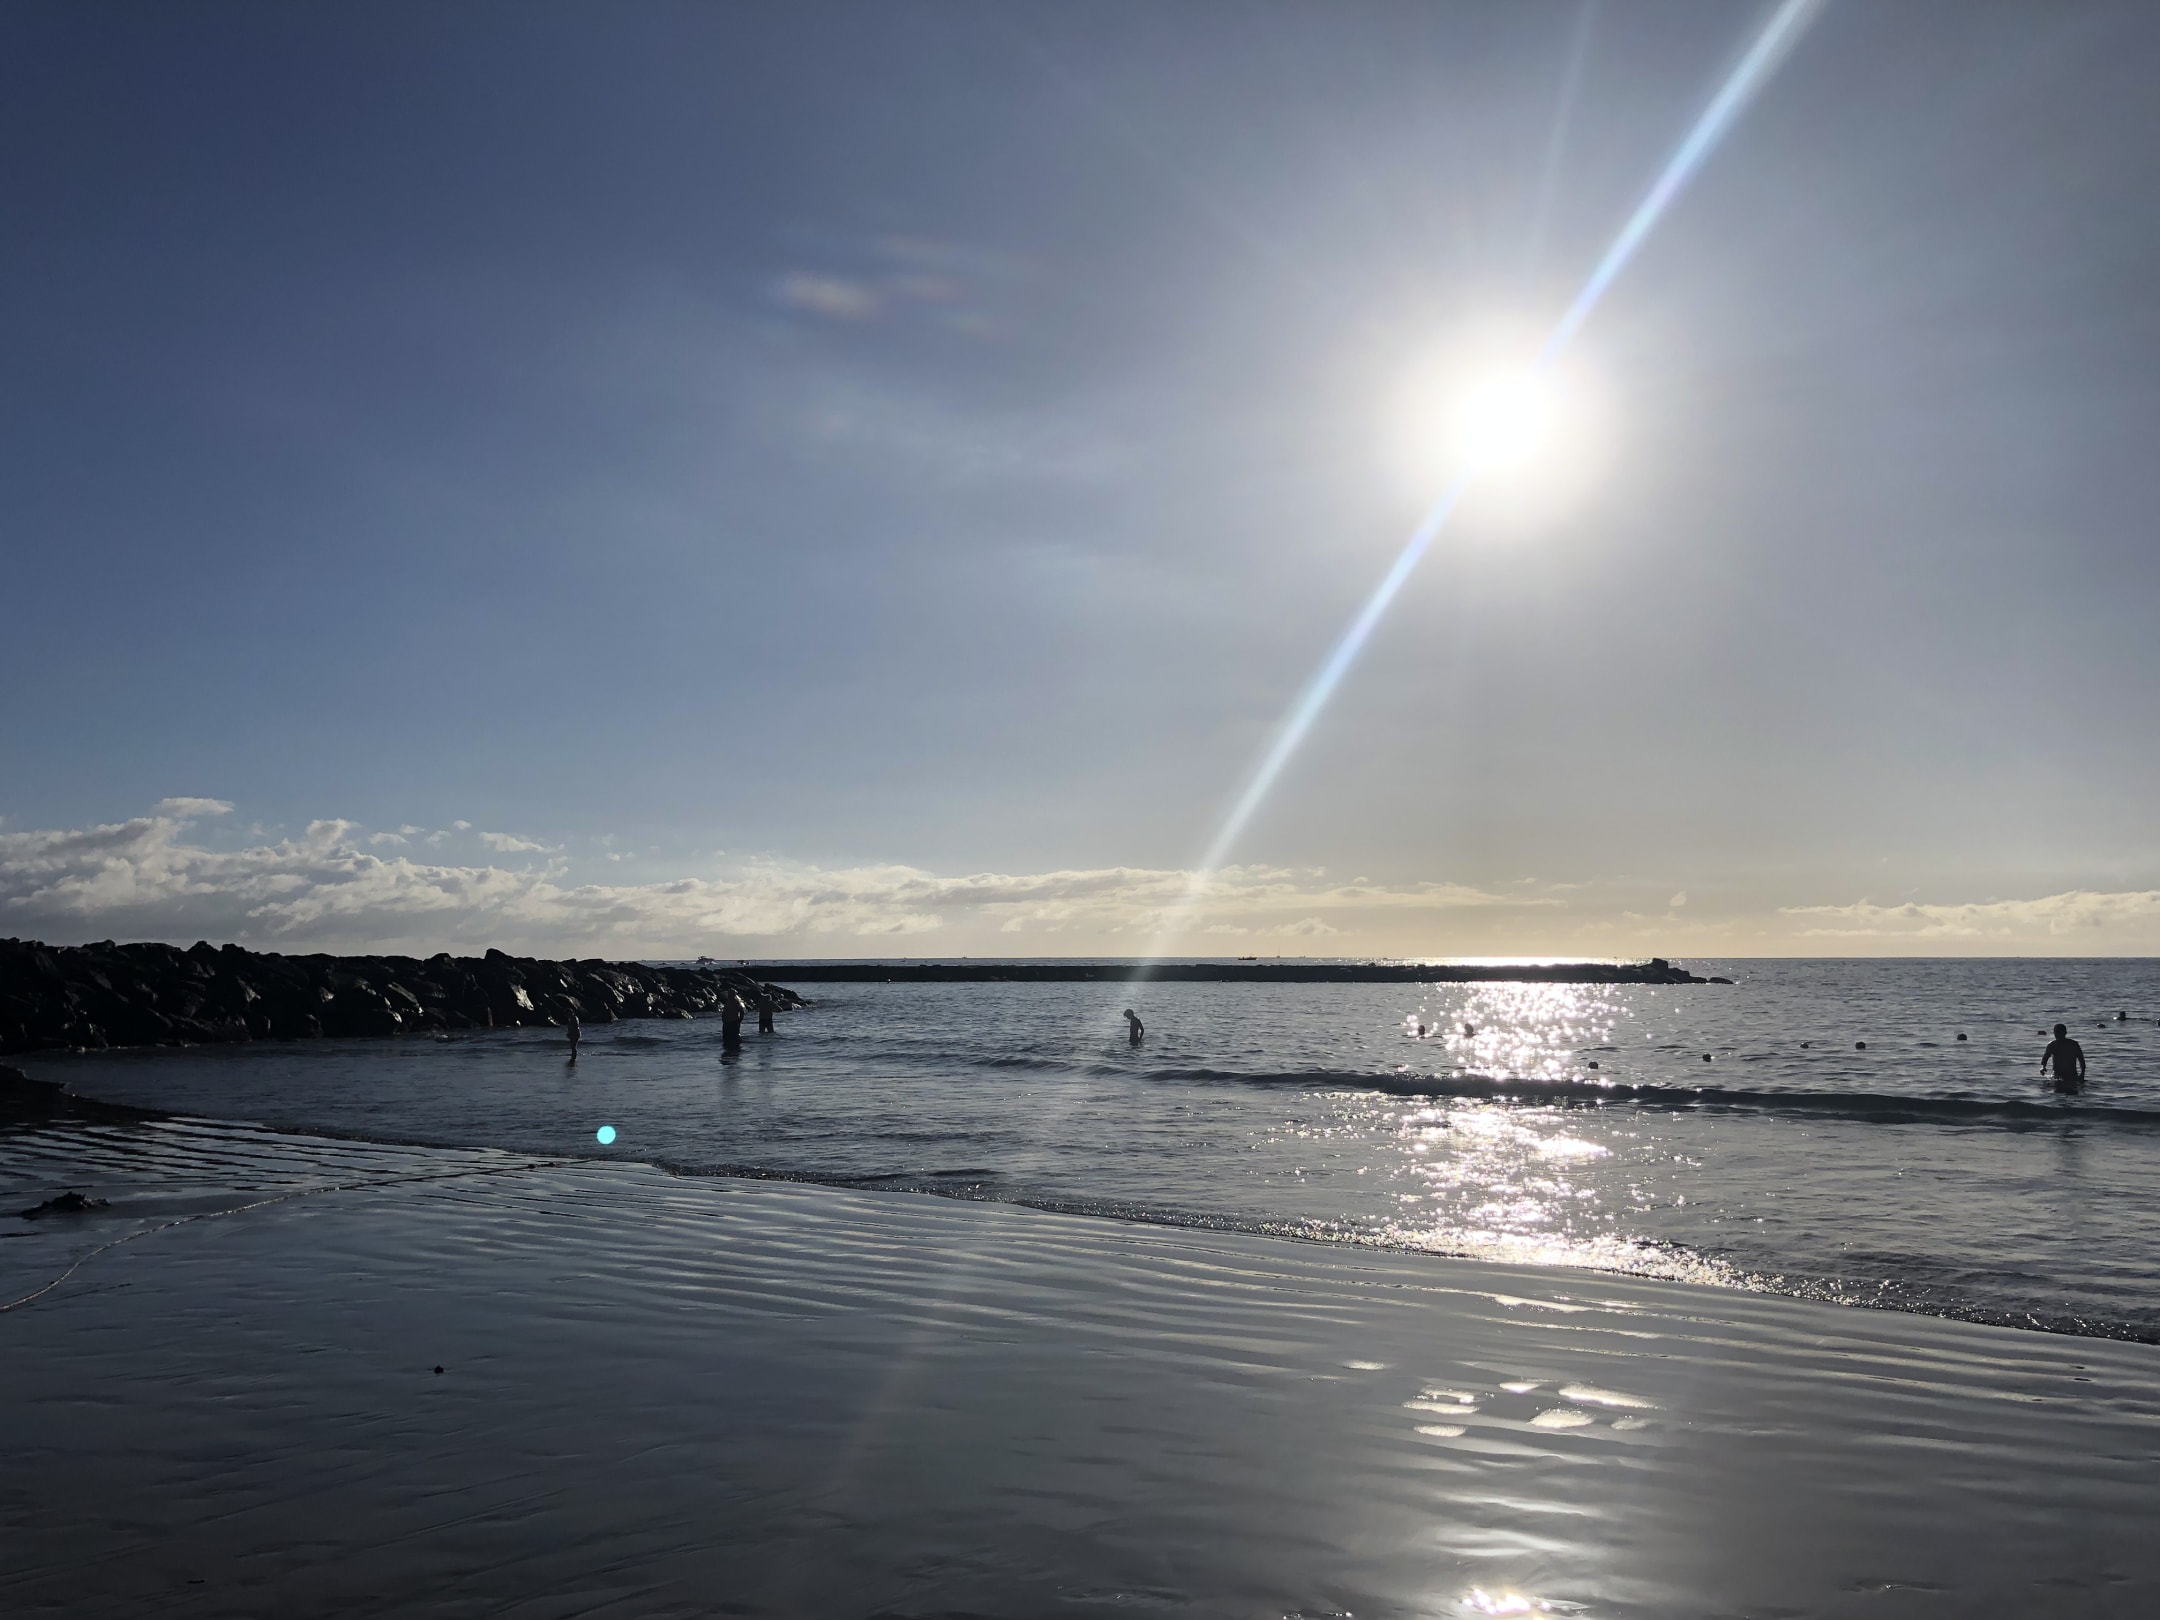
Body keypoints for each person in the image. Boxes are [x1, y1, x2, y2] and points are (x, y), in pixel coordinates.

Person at [2040, 1023, 2085, 1093]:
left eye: (2059, 1033)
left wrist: (2082, 1073)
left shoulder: (2073, 1044)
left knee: (2071, 1092)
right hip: (2057, 1074)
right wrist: (2043, 1067)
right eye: (2056, 1033)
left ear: (2065, 1033)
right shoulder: (2052, 1045)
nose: (2057, 1035)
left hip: (2071, 1074)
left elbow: (2081, 1059)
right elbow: (2045, 1058)